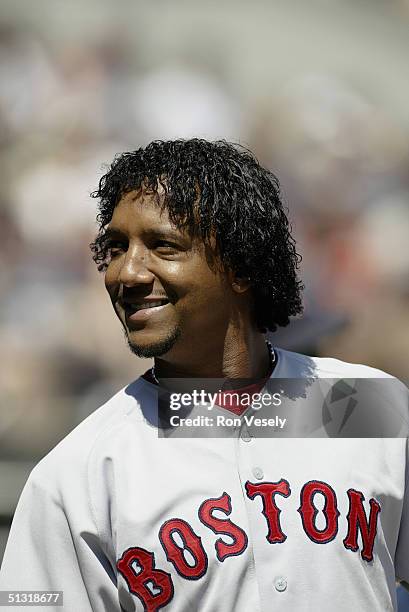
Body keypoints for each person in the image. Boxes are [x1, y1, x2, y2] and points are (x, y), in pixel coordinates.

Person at [0, 139, 408, 611]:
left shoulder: (364, 404)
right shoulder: (79, 472)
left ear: (239, 265)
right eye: (116, 248)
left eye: (161, 245)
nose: (127, 273)